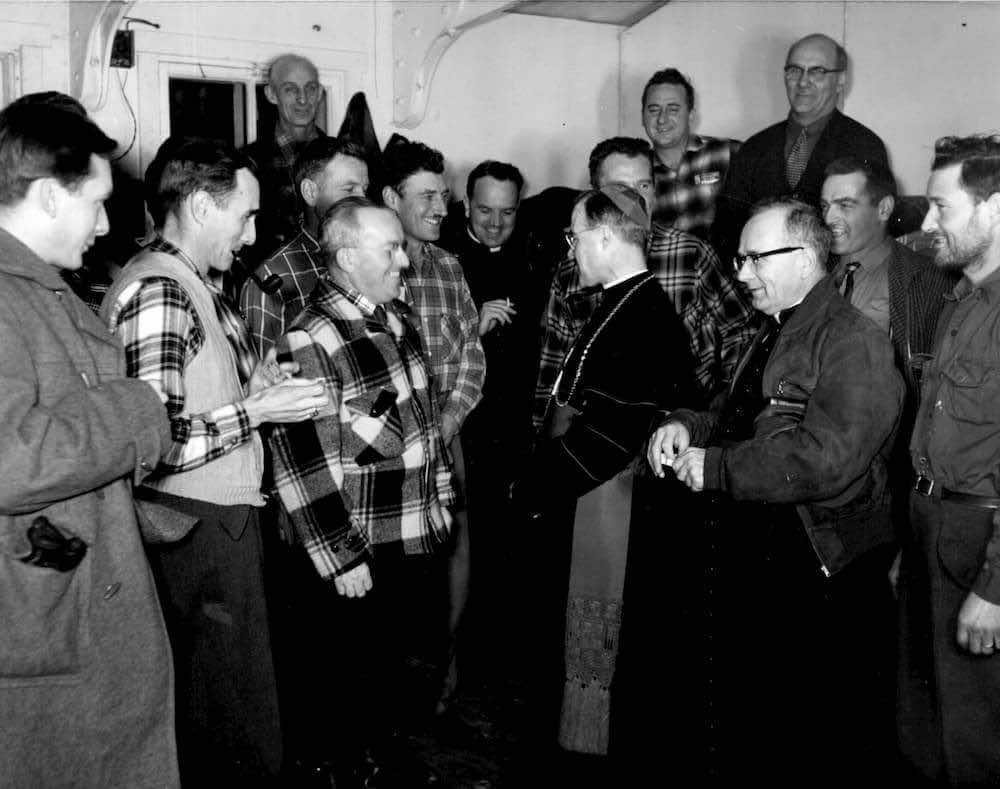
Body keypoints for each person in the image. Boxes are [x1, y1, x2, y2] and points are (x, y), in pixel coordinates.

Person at [648, 198, 903, 784]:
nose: (741, 273)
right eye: (740, 259)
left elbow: (827, 458)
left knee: (805, 733)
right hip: (769, 551)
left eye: (755, 258)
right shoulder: (775, 329)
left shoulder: (853, 340)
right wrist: (688, 424)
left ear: (806, 259)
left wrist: (719, 468)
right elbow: (734, 412)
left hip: (819, 568)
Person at [101, 137, 329, 784]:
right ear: (202, 206)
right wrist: (256, 411)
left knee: (238, 712)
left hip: (214, 524)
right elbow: (152, 445)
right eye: (246, 215)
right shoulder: (160, 292)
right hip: (189, 531)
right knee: (226, 724)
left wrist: (254, 388)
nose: (253, 234)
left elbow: (196, 399)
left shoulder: (199, 285)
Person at [0, 97, 177, 787]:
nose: (105, 225)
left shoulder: (40, 289)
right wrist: (138, 409)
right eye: (96, 203)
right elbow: (11, 459)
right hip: (43, 622)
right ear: (49, 195)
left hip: (70, 604)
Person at [269, 197, 454, 787]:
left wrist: (442, 500)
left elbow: (425, 425)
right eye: (391, 249)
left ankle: (381, 763)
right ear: (348, 258)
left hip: (408, 539)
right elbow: (301, 461)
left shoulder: (396, 319)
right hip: (359, 552)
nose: (405, 260)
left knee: (388, 678)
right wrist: (341, 554)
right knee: (345, 687)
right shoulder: (307, 338)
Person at [513, 185, 695, 760]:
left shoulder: (644, 314)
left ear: (607, 237)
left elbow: (611, 437)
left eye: (575, 238)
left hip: (604, 500)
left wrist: (535, 487)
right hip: (583, 494)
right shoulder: (622, 300)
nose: (571, 251)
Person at [899, 134, 1000, 785]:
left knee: (976, 742)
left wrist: (994, 589)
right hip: (932, 525)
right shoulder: (960, 299)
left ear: (995, 208)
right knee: (925, 730)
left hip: (980, 538)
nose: (929, 223)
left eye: (943, 207)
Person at [535, 137, 754, 423]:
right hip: (600, 428)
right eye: (620, 188)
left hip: (680, 424)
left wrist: (717, 413)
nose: (636, 199)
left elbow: (742, 333)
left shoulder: (691, 254)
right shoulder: (571, 270)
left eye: (644, 185)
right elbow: (554, 364)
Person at [381, 138, 485, 711]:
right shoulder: (372, 268)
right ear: (390, 198)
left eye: (443, 196)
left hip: (448, 433)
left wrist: (447, 421)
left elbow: (472, 355)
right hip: (391, 447)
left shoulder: (449, 267)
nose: (441, 208)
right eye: (426, 197)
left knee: (455, 550)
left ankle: (447, 672)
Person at [713, 33, 889, 258]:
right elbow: (727, 230)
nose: (803, 82)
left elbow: (872, 235)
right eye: (795, 70)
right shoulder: (754, 148)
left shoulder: (865, 145)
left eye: (817, 71)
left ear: (841, 80)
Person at [240, 135, 369, 357]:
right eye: (349, 190)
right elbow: (267, 374)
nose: (363, 201)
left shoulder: (374, 260)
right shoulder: (272, 279)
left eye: (365, 190)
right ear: (310, 192)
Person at [241, 53, 327, 271]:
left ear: (319, 93)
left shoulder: (340, 158)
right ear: (271, 94)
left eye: (310, 88)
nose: (303, 99)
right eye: (290, 89)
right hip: (272, 282)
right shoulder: (248, 163)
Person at [641, 67, 740, 238]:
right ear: (643, 117)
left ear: (691, 115)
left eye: (673, 109)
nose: (662, 119)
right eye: (654, 110)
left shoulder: (728, 153)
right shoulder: (637, 172)